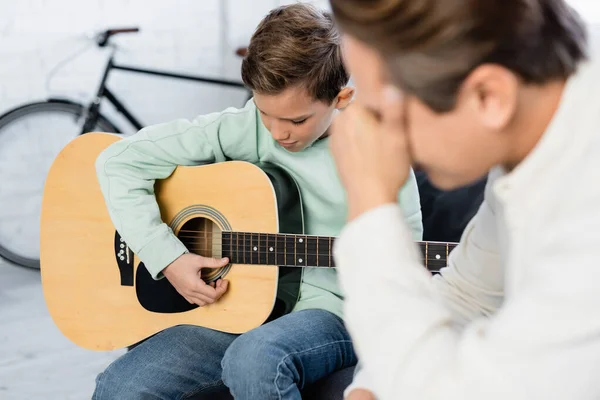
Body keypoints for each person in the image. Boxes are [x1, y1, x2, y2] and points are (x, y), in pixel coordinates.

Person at [91, 3, 423, 400]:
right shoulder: (242, 128)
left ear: (341, 97)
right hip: (238, 306)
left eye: (297, 120)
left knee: (255, 356)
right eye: (267, 113)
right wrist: (168, 256)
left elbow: (407, 266)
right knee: (119, 387)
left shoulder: (381, 149)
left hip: (333, 312)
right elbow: (117, 160)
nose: (279, 132)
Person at [326, 0, 600, 399]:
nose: (372, 138)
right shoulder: (541, 122)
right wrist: (369, 386)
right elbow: (468, 293)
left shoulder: (587, 217)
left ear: (489, 97)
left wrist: (369, 202)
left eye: (381, 114)